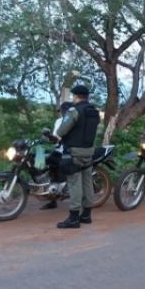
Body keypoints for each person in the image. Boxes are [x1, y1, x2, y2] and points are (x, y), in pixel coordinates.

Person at [54, 85, 100, 228]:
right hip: (89, 151)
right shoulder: (94, 112)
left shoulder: (74, 111)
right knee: (87, 182)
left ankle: (73, 218)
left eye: (73, 96)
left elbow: (61, 131)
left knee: (74, 184)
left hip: (74, 152)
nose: (72, 99)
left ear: (76, 96)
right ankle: (86, 215)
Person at [41, 101, 73, 210]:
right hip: (59, 150)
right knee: (44, 165)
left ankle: (65, 190)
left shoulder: (74, 121)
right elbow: (55, 138)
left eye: (64, 110)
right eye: (61, 111)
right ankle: (52, 198)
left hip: (70, 151)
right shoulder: (58, 121)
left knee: (61, 168)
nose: (62, 113)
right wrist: (48, 136)